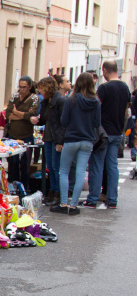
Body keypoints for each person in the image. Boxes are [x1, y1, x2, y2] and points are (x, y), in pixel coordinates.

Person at [83, 60, 131, 209]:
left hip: (103, 132)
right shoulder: (125, 88)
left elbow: (95, 106)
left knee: (97, 165)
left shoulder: (104, 88)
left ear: (104, 70)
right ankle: (112, 199)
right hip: (117, 131)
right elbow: (126, 110)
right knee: (112, 166)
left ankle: (93, 198)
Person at [51, 72, 100, 215]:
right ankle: (73, 206)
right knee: (80, 172)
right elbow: (97, 123)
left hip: (72, 139)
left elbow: (64, 121)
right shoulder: (95, 102)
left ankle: (63, 203)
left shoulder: (70, 100)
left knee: (64, 171)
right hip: (87, 141)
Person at [31, 76, 66, 206]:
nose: (40, 91)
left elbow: (63, 123)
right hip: (49, 137)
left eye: (41, 88)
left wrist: (60, 142)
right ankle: (52, 192)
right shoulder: (47, 101)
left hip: (55, 138)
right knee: (50, 167)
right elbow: (46, 119)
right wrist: (37, 121)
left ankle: (58, 194)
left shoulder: (60, 101)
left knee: (56, 167)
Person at [5, 76, 39, 192]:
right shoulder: (14, 97)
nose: (22, 90)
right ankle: (12, 187)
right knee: (12, 162)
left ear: (30, 87)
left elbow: (32, 115)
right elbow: (8, 114)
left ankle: (24, 188)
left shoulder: (34, 98)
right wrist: (23, 115)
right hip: (12, 134)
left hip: (26, 135)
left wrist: (16, 113)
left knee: (25, 163)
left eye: (25, 87)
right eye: (20, 87)